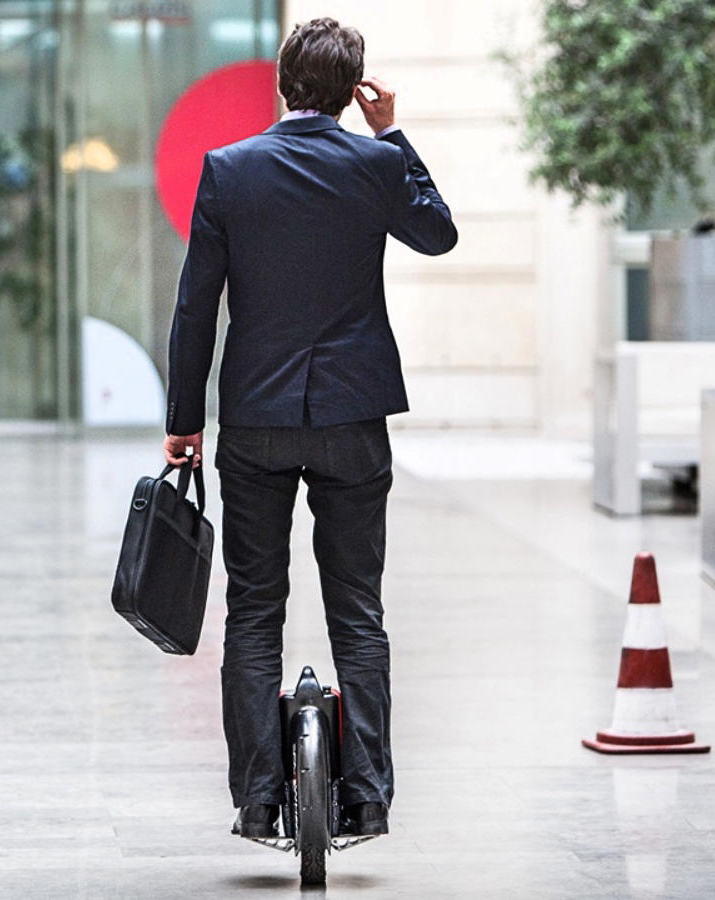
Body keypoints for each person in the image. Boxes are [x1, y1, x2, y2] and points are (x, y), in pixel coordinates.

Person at [162, 18, 457, 840]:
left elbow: (197, 307)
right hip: (353, 419)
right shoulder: (376, 162)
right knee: (357, 609)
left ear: (283, 81)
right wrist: (391, 131)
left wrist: (184, 419)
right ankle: (365, 797)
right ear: (353, 85)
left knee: (254, 610)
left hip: (255, 420)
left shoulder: (229, 171)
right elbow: (437, 233)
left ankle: (259, 801)